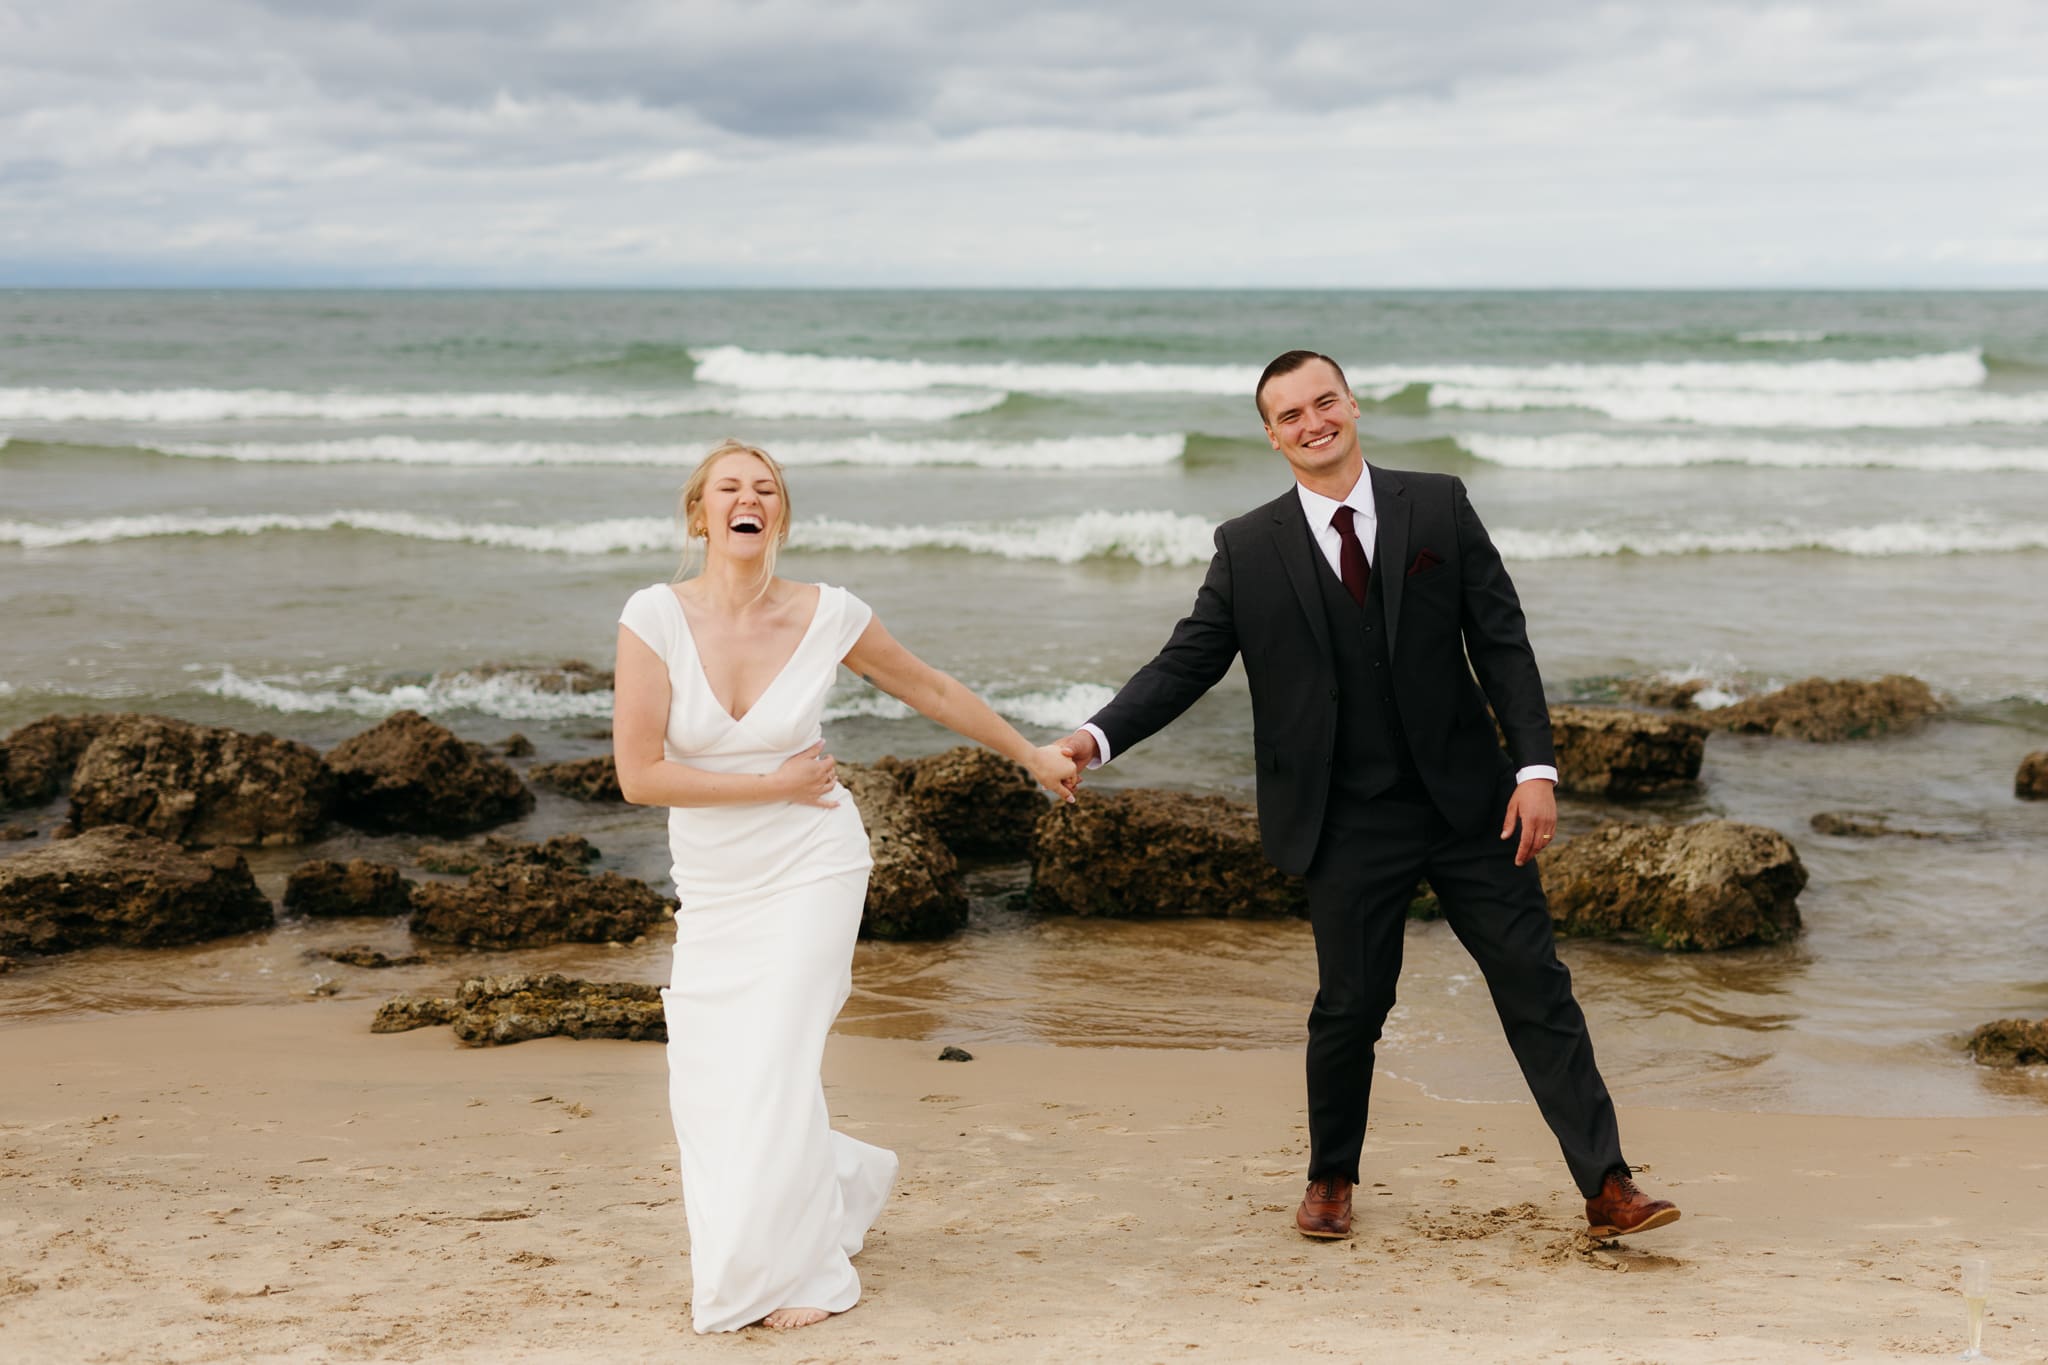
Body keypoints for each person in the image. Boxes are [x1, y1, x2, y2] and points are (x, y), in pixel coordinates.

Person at [1056, 351, 1679, 1242]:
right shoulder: (1248, 546)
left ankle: (1607, 1183)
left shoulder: (1439, 504)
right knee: (1350, 1005)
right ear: (1271, 436)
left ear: (1352, 404)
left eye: (1324, 401)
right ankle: (1331, 1178)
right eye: (1290, 414)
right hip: (1344, 818)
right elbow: (1186, 663)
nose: (1314, 422)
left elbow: (1501, 641)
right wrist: (1094, 737)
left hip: (1471, 805)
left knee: (1537, 989)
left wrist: (1534, 768)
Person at [613, 439, 1079, 1333]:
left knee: (776, 1063)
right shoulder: (653, 616)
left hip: (812, 864)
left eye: (766, 489)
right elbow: (638, 774)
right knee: (712, 1075)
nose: (749, 499)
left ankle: (797, 1272)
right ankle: (842, 1179)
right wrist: (767, 786)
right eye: (730, 488)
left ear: (779, 514)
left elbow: (931, 688)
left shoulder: (830, 613)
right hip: (716, 881)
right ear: (699, 513)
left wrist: (1029, 753)